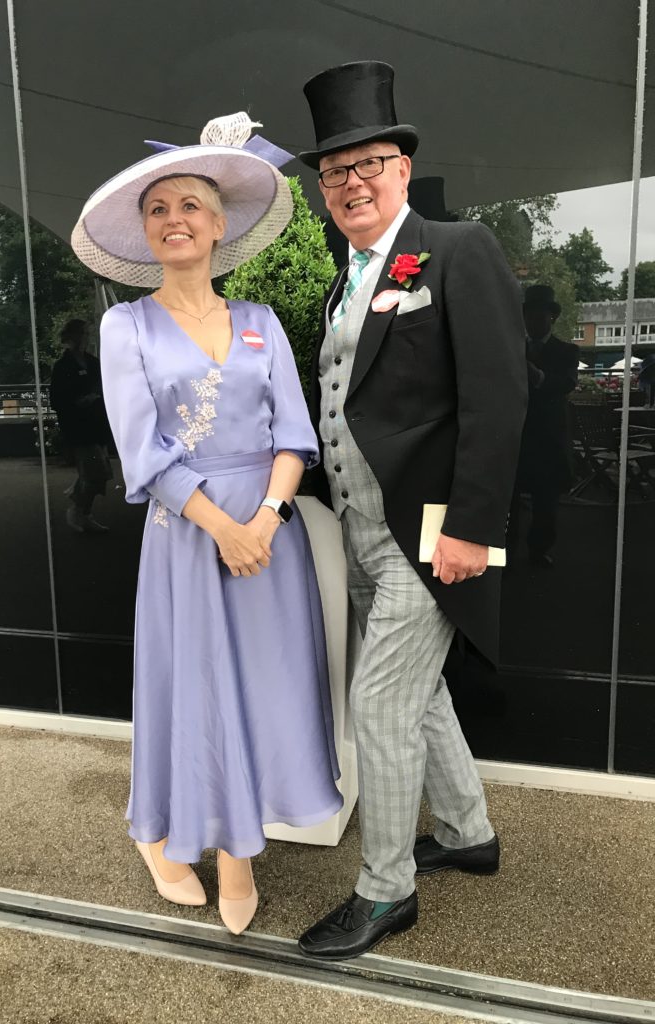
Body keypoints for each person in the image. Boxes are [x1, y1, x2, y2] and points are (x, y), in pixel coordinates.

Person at [71, 113, 342, 935]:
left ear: (219, 225)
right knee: (193, 690)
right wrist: (224, 530)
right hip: (188, 537)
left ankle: (229, 843)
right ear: (147, 234)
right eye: (158, 210)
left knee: (263, 687)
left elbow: (296, 436)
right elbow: (142, 453)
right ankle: (177, 839)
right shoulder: (126, 328)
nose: (175, 219)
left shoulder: (260, 322)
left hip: (271, 536)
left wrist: (264, 517)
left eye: (190, 204)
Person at [296, 61, 527, 960]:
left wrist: (474, 528)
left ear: (401, 166)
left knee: (380, 707)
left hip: (428, 536)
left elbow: (500, 399)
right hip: (360, 529)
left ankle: (385, 893)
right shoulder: (342, 279)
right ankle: (468, 832)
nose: (352, 183)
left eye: (368, 165)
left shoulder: (456, 249)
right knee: (417, 692)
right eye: (334, 172)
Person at [508, 285, 579, 567]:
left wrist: (534, 374)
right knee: (510, 503)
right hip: (517, 437)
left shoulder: (567, 350)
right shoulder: (513, 348)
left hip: (549, 438)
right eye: (529, 316)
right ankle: (507, 555)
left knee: (546, 503)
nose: (534, 321)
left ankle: (539, 551)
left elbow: (566, 384)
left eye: (540, 316)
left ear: (552, 318)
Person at [49, 318, 113, 533]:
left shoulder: (93, 363)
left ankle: (80, 507)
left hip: (97, 425)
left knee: (98, 472)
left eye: (87, 333)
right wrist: (77, 403)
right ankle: (79, 509)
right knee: (97, 471)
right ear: (72, 337)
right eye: (83, 334)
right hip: (78, 427)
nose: (85, 338)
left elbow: (106, 387)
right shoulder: (63, 367)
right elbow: (57, 400)